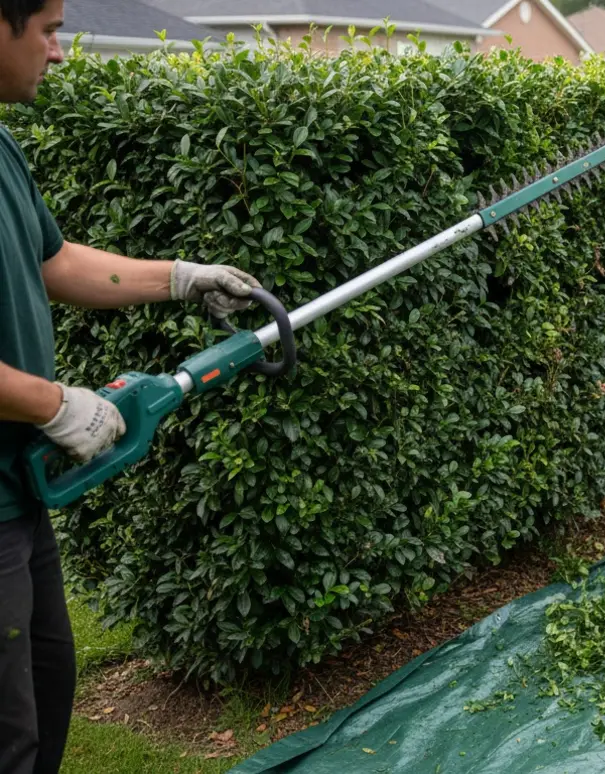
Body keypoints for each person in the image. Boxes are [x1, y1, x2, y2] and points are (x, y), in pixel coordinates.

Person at [0, 1, 263, 771]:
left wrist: (179, 277)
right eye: (48, 30)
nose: (58, 52)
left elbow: (54, 261)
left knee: (47, 695)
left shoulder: (2, 146)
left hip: (16, 494)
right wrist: (54, 403)